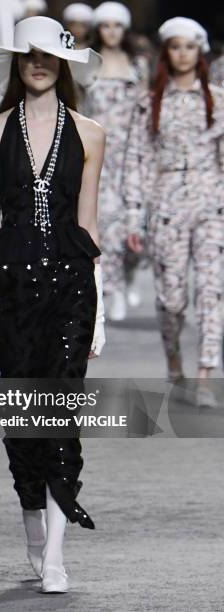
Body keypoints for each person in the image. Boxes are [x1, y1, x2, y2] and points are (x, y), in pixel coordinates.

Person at [0, 16, 105, 593]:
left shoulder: (92, 133)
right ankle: (33, 524)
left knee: (60, 419)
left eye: (49, 55)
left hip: (73, 288)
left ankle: (55, 555)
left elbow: (89, 223)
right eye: (29, 55)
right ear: (16, 64)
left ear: (65, 64)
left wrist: (101, 310)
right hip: (14, 292)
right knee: (23, 420)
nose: (39, 63)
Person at [123, 17, 224, 407]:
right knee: (172, 299)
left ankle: (204, 376)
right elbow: (137, 160)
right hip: (166, 205)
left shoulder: (217, 99)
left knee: (212, 290)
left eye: (190, 46)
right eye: (176, 46)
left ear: (200, 51)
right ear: (166, 51)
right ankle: (175, 364)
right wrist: (135, 216)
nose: (183, 53)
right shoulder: (149, 103)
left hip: (212, 204)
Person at [84, 1, 150, 321]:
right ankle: (112, 288)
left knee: (137, 224)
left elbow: (148, 107)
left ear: (124, 29)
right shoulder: (86, 62)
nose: (111, 32)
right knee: (108, 222)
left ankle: (129, 276)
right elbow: (79, 107)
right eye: (106, 25)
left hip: (134, 151)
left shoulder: (137, 64)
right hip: (99, 151)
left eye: (117, 25)